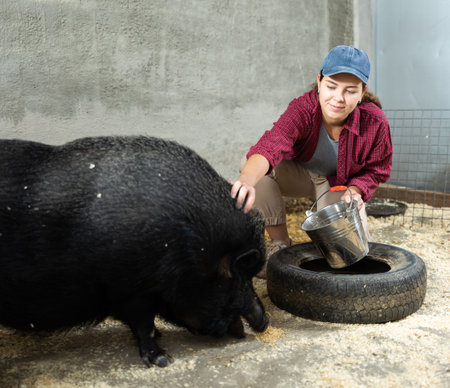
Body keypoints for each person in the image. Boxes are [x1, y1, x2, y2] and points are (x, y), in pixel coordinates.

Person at [230, 45, 393, 278]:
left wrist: (356, 191)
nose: (338, 98)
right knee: (253, 169)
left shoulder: (375, 121)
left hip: (337, 187)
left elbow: (377, 169)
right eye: (331, 86)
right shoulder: (303, 109)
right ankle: (280, 242)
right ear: (319, 81)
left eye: (350, 91)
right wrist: (245, 180)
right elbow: (271, 145)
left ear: (362, 91)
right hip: (300, 176)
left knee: (353, 256)